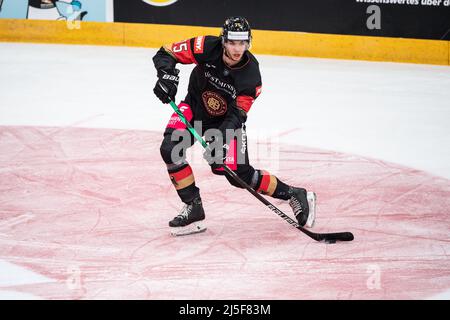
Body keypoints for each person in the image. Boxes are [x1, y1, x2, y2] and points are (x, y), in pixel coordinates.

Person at [152, 16, 316, 236]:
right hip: (193, 108)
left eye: (242, 43)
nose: (237, 49)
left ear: (249, 42)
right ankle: (193, 207)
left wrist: (219, 140)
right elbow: (166, 52)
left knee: (237, 174)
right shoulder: (206, 46)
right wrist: (166, 75)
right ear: (223, 41)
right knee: (170, 149)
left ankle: (293, 193)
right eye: (232, 42)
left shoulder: (251, 76)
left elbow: (238, 114)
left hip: (226, 122)